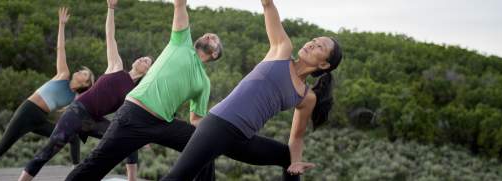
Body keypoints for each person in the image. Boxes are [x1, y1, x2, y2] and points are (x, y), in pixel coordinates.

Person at [161, 0, 343, 180]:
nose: (311, 44)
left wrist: (296, 161)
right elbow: (267, 5)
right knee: (178, 177)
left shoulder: (307, 97)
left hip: (242, 138)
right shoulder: (282, 50)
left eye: (320, 46)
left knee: (287, 157)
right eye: (313, 40)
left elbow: (296, 138)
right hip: (218, 125)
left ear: (324, 63)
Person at [64, 0, 223, 180]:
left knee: (205, 146)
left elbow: (196, 121)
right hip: (134, 114)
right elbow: (180, 4)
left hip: (162, 124)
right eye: (207, 34)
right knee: (94, 165)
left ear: (215, 54)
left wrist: (216, 133)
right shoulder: (182, 42)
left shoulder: (204, 82)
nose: (208, 35)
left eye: (213, 38)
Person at [17, 2, 153, 180]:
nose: (142, 59)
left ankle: (131, 180)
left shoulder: (135, 92)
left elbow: (139, 114)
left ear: (148, 71)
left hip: (93, 121)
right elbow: (110, 36)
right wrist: (111, 9)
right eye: (142, 57)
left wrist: (147, 136)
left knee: (128, 139)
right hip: (77, 111)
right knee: (47, 152)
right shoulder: (116, 66)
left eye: (146, 61)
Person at [0, 7, 95, 181]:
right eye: (82, 71)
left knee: (72, 137)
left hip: (40, 119)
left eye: (85, 74)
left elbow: (88, 105)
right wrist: (61, 25)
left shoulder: (74, 98)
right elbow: (60, 48)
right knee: (1, 148)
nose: (80, 72)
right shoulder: (63, 75)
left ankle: (76, 170)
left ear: (86, 83)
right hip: (27, 111)